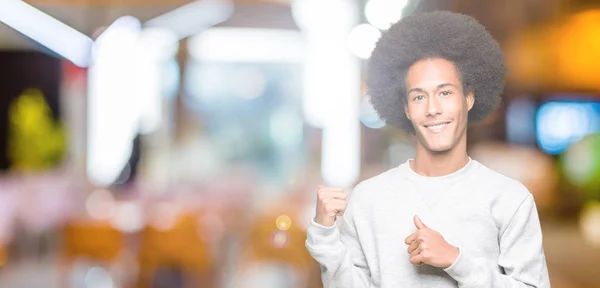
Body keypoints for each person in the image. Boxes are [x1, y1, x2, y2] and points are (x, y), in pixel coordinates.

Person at [305, 11, 550, 288]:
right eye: (419, 96)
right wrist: (325, 235)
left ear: (468, 98)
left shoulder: (509, 199)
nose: (433, 109)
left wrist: (457, 261)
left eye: (445, 92)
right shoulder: (368, 199)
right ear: (407, 109)